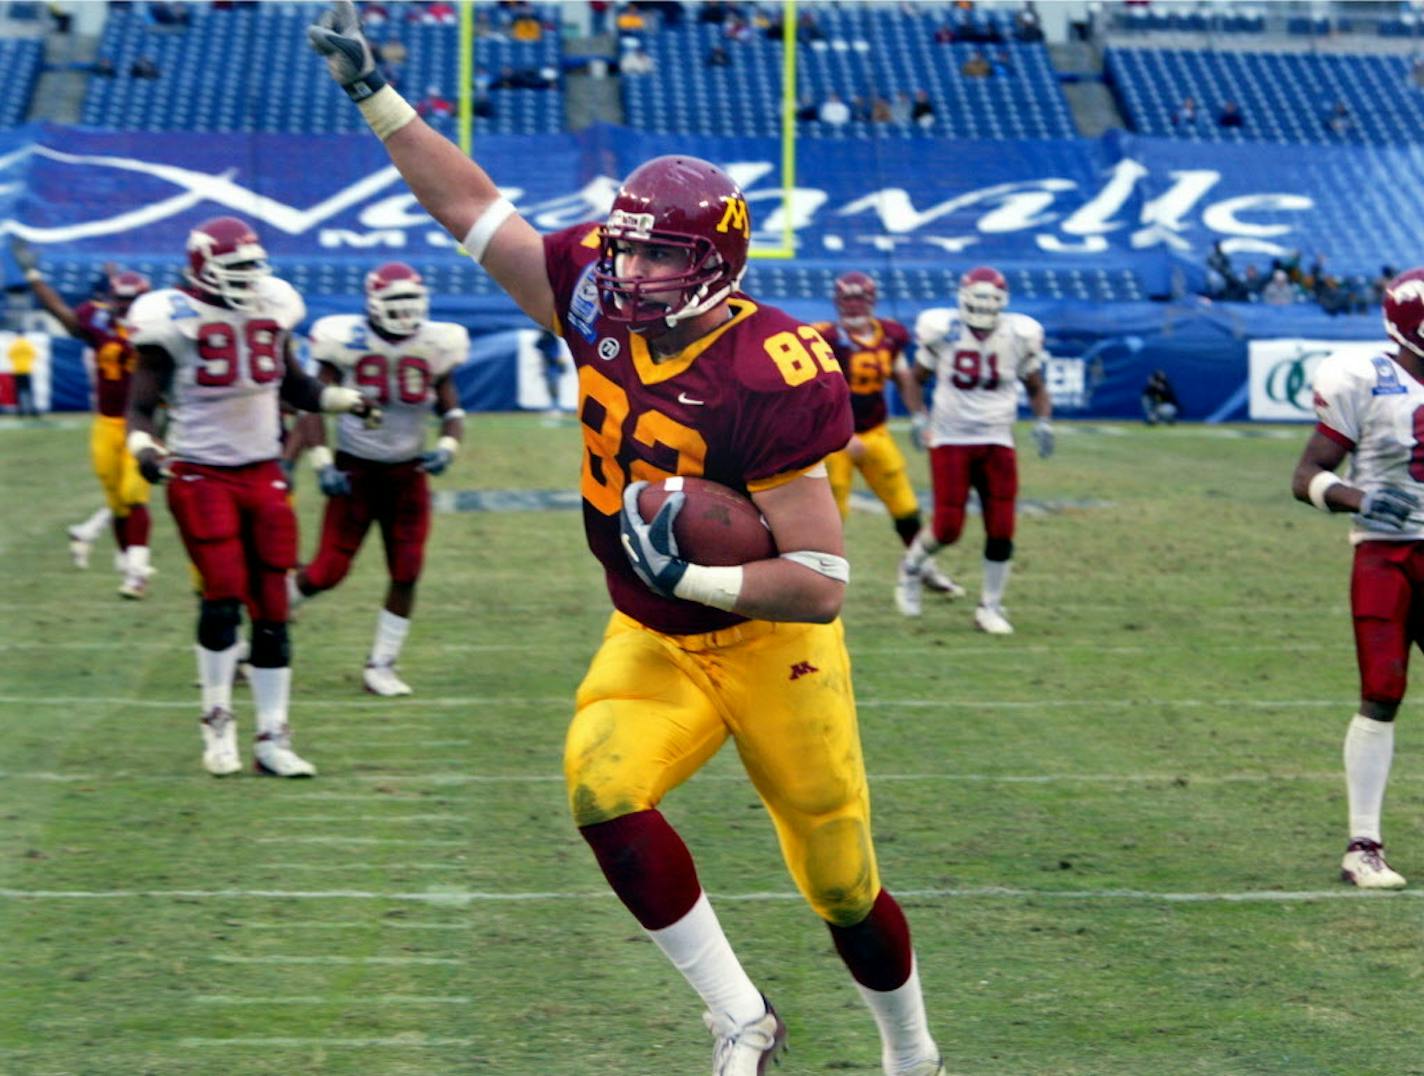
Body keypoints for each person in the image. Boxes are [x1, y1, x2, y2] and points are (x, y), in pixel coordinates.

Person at [307, 5, 945, 1073]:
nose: (623, 269)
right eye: (623, 245)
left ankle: (910, 1047)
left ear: (714, 266)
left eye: (652, 257)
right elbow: (471, 206)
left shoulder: (770, 366)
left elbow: (822, 580)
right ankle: (740, 1014)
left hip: (768, 647)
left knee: (838, 879)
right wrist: (373, 91)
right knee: (600, 782)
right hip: (652, 632)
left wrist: (692, 567)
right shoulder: (596, 295)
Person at [125, 215, 377, 777]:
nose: (248, 277)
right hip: (199, 471)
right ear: (201, 268)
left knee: (274, 605)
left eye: (252, 266)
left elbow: (296, 386)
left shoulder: (272, 306)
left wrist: (347, 401)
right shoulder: (169, 318)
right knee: (222, 594)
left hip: (263, 469)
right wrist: (144, 449)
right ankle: (216, 721)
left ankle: (272, 736)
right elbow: (140, 406)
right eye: (234, 267)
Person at [1288, 268, 1424, 889]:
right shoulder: (1366, 379)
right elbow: (1307, 475)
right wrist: (1358, 499)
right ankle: (1362, 846)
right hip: (1386, 557)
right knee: (1383, 691)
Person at [289, 262, 468, 697]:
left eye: (411, 302)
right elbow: (312, 404)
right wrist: (321, 461)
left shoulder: (434, 343)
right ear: (372, 303)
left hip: (408, 475)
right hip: (356, 472)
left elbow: (452, 412)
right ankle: (263, 617)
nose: (405, 312)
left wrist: (447, 448)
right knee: (326, 572)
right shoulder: (344, 339)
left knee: (407, 570)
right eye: (395, 302)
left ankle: (381, 665)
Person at [894, 266, 1053, 634]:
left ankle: (990, 607)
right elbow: (916, 380)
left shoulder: (1018, 333)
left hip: (998, 438)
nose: (982, 309)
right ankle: (911, 568)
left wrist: (1043, 420)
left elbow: (1036, 387)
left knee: (1001, 527)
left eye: (990, 300)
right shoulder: (944, 329)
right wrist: (919, 416)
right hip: (951, 438)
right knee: (948, 528)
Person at [12, 238, 156, 592]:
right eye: (119, 299)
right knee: (115, 496)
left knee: (133, 492)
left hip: (142, 422)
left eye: (129, 300)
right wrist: (33, 277)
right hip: (105, 422)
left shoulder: (157, 328)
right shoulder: (99, 321)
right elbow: (62, 313)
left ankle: (137, 572)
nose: (123, 306)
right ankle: (127, 562)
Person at [812, 272, 964, 598]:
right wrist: (837, 431)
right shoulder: (823, 337)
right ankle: (817, 578)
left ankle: (922, 567)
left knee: (905, 504)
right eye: (847, 300)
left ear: (871, 301)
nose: (853, 308)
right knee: (831, 512)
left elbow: (904, 376)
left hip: (875, 432)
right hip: (835, 440)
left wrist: (919, 417)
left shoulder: (891, 334)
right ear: (838, 302)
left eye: (859, 300)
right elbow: (812, 392)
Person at [7, 332, 38, 417]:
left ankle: (21, 410)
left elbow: (9, 355)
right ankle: (32, 410)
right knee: (28, 391)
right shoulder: (27, 344)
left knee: (19, 391)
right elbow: (34, 355)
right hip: (26, 369)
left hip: (17, 370)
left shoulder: (14, 345)